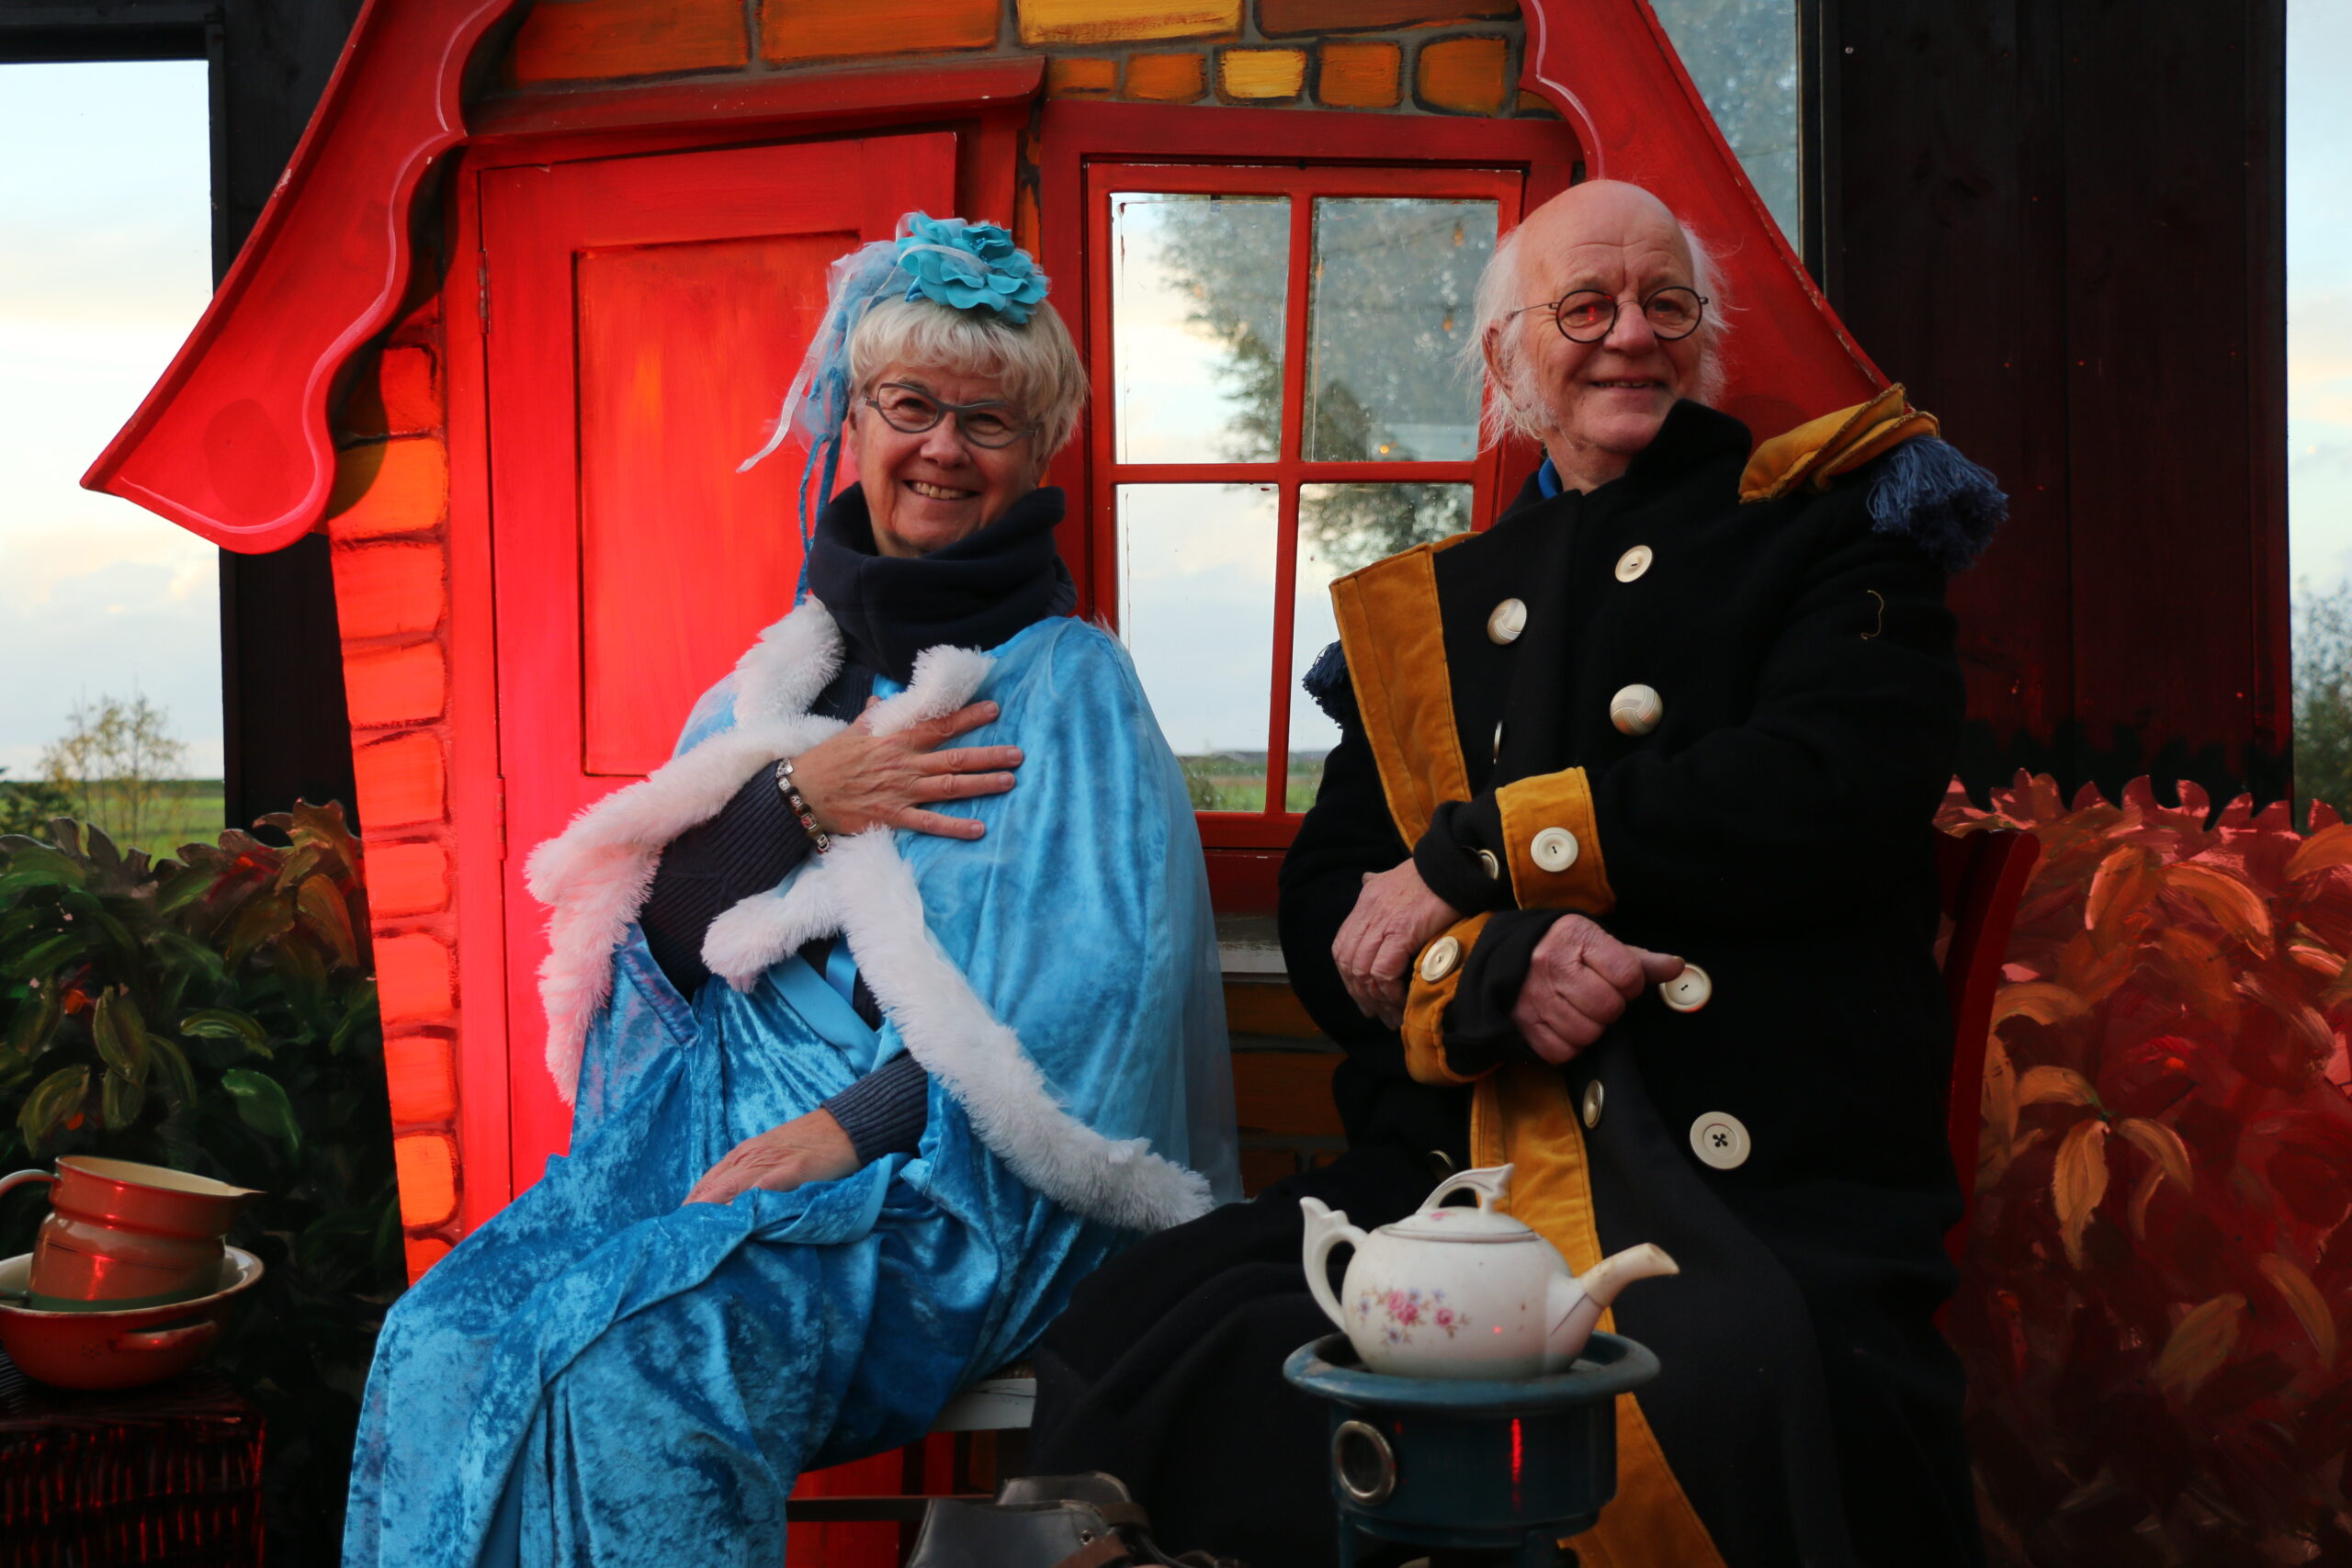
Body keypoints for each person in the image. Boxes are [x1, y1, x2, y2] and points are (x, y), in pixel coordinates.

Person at [1027, 181, 2006, 1568]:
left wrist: (1476, 853)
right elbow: (1330, 912)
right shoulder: (1427, 611)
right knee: (1156, 1334)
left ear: (1704, 338)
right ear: (1504, 359)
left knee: (1702, 1388)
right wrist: (1491, 967)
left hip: (1747, 1174)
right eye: (1585, 308)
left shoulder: (1829, 534)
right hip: (1460, 1167)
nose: (1632, 336)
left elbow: (1829, 787)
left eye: (1666, 303)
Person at [344, 213, 1238, 1568]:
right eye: (911, 405)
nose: (943, 448)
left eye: (987, 421)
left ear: (1039, 450)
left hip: (945, 1188)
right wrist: (797, 802)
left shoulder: (1072, 692)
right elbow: (654, 952)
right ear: (853, 419)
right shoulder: (766, 691)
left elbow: (1094, 999)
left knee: (632, 1364)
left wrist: (850, 1127)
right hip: (705, 1138)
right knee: (440, 1338)